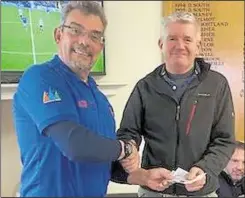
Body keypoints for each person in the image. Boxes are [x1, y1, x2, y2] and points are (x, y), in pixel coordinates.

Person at [12, 1, 173, 197]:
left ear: (101, 46)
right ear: (58, 34)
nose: (84, 41)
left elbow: (103, 161)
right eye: (75, 30)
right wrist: (125, 149)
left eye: (94, 36)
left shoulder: (100, 100)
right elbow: (75, 145)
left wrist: (143, 176)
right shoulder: (39, 78)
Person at [116, 11, 236, 197]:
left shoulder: (217, 85)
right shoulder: (145, 86)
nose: (180, 46)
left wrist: (204, 169)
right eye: (172, 38)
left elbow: (224, 140)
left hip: (201, 191)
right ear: (161, 44)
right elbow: (127, 132)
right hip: (155, 191)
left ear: (198, 46)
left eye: (187, 39)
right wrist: (130, 151)